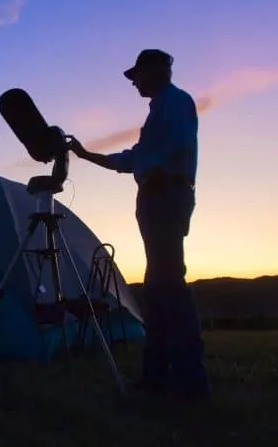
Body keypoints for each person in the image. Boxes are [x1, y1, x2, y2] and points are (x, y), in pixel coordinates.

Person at [67, 49, 211, 398]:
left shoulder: (174, 103)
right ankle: (158, 375)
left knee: (169, 285)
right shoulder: (160, 110)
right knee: (159, 288)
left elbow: (173, 148)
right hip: (157, 197)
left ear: (156, 69)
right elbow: (132, 159)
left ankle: (190, 380)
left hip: (164, 197)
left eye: (137, 76)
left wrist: (156, 177)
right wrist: (87, 155)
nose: (134, 83)